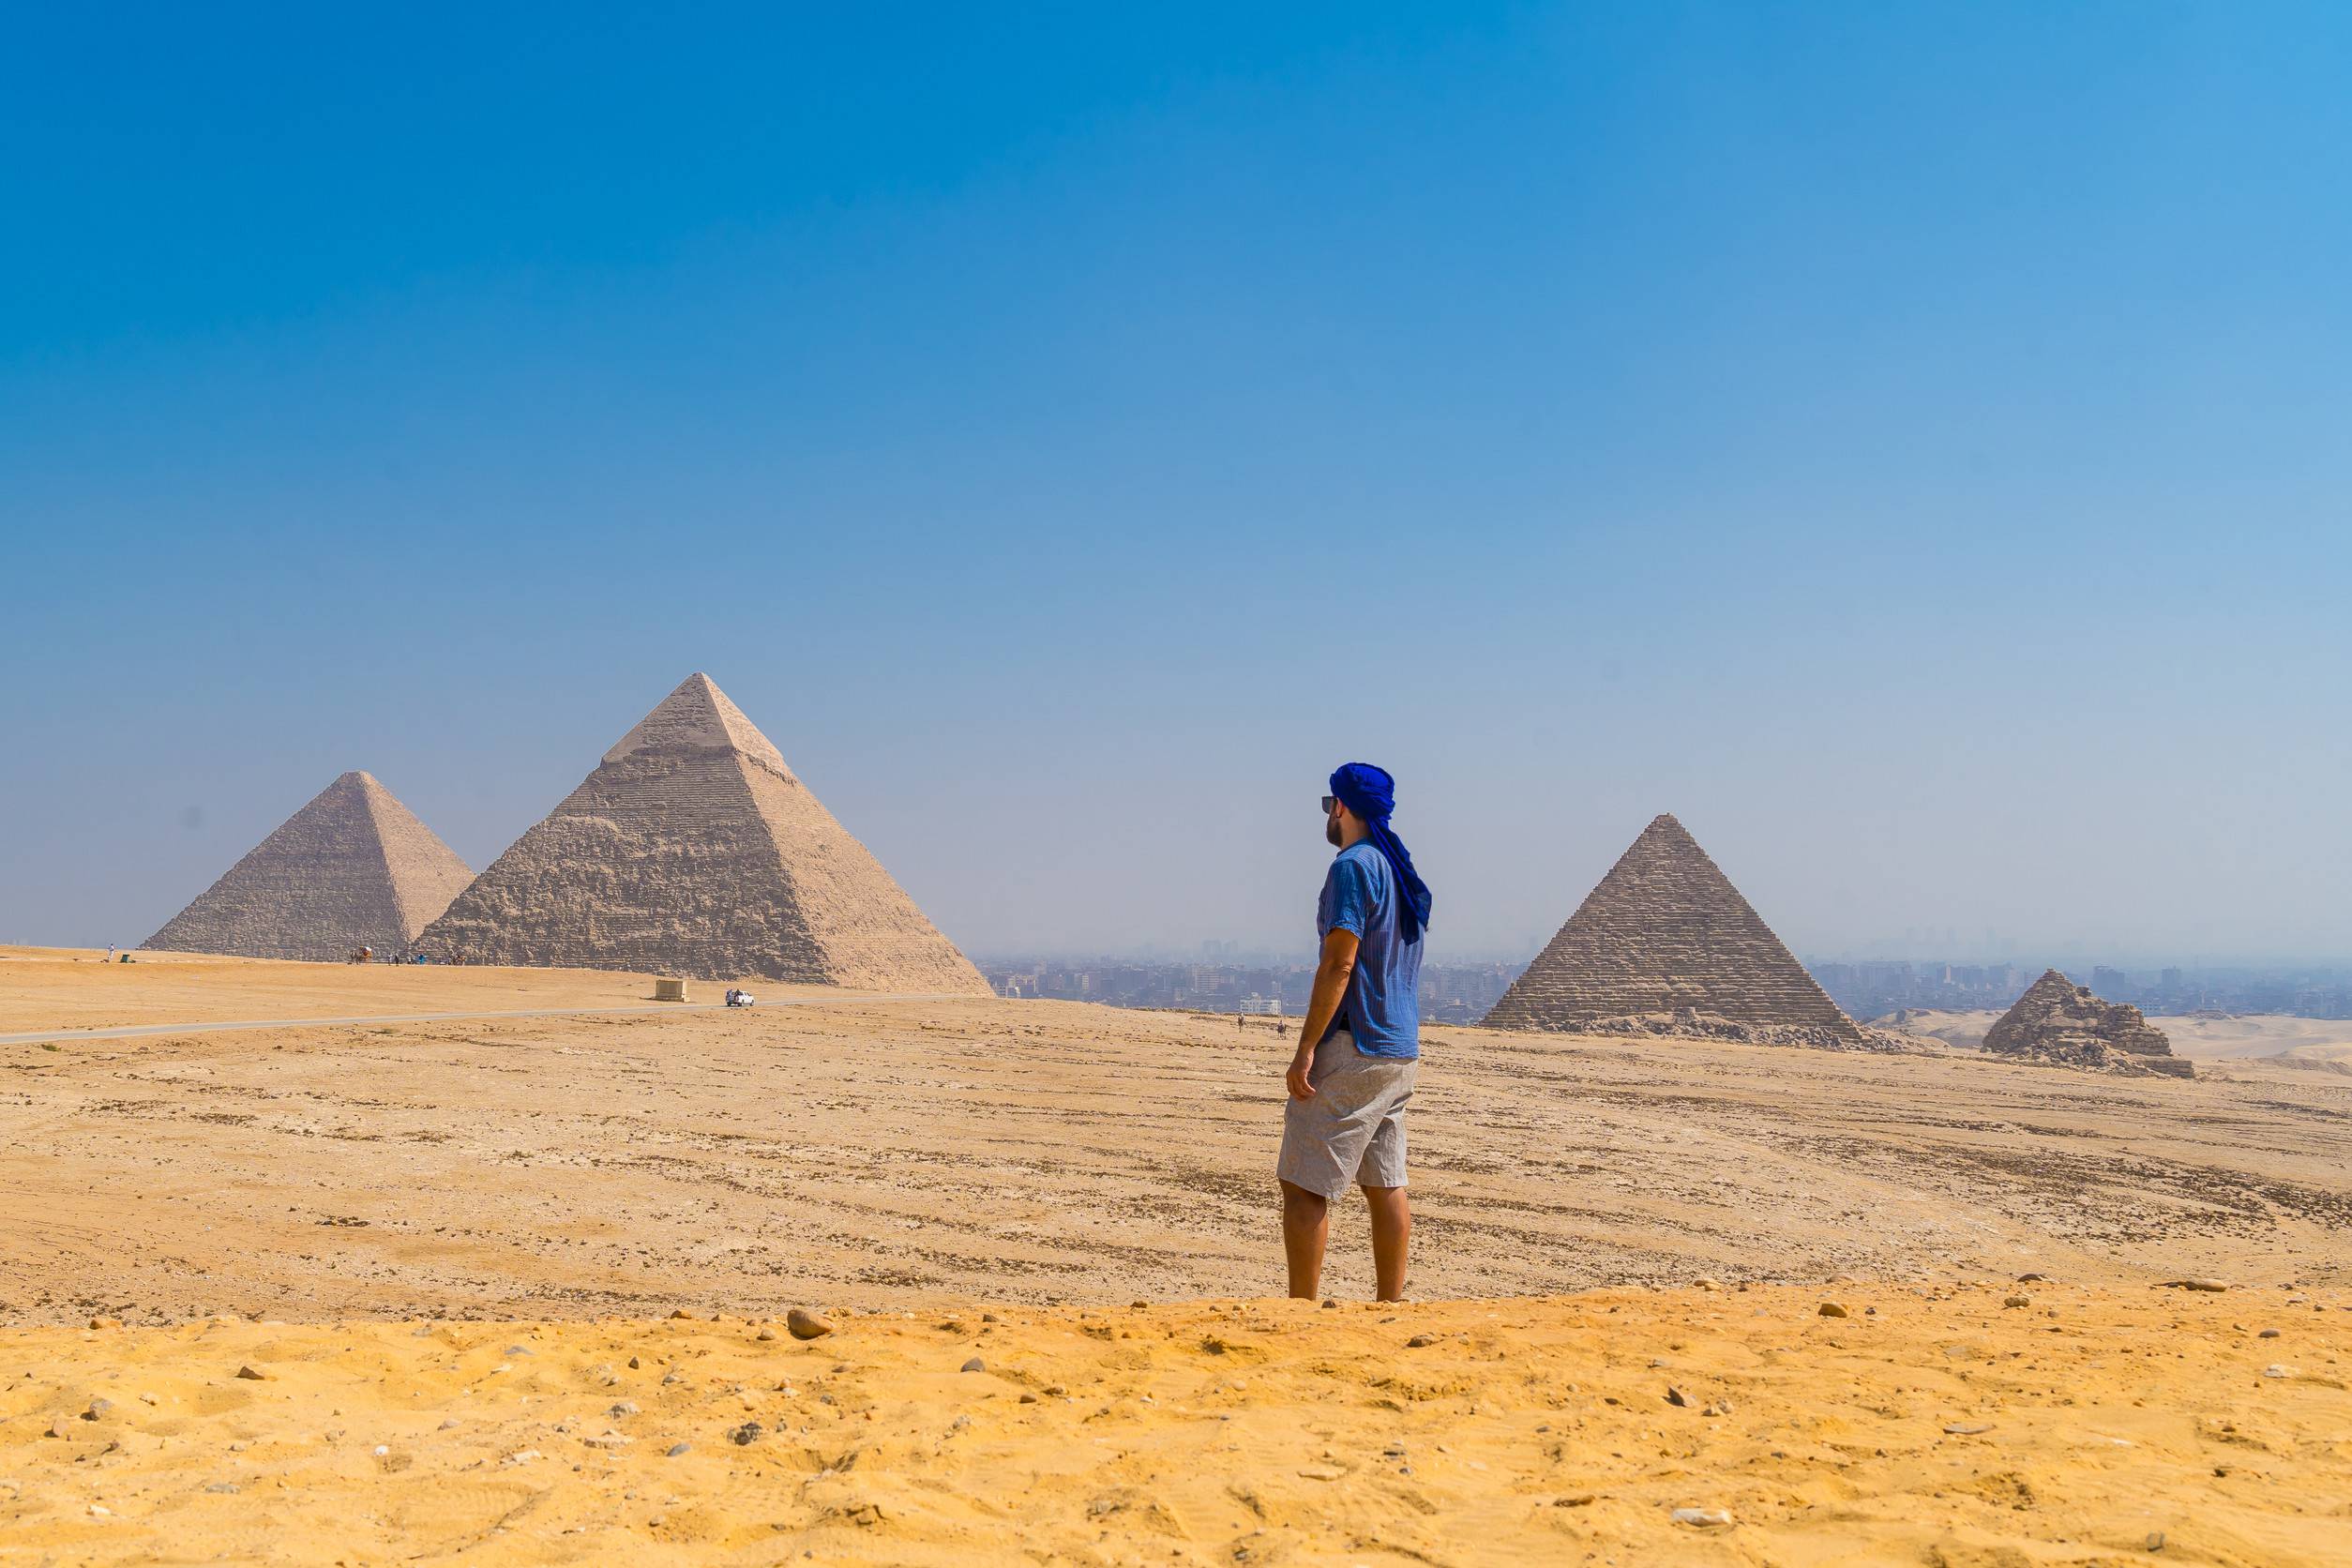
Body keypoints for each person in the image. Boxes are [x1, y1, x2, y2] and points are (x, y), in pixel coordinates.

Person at [1277, 762, 1434, 1303]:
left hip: (1354, 1045)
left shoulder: (1354, 866)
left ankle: (1301, 1309)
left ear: (1342, 807)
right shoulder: (1399, 871)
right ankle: (1389, 1307)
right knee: (1384, 1182)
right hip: (1399, 1050)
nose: (1327, 814)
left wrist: (1304, 1051)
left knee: (1303, 1185)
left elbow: (1338, 965)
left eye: (1328, 805)